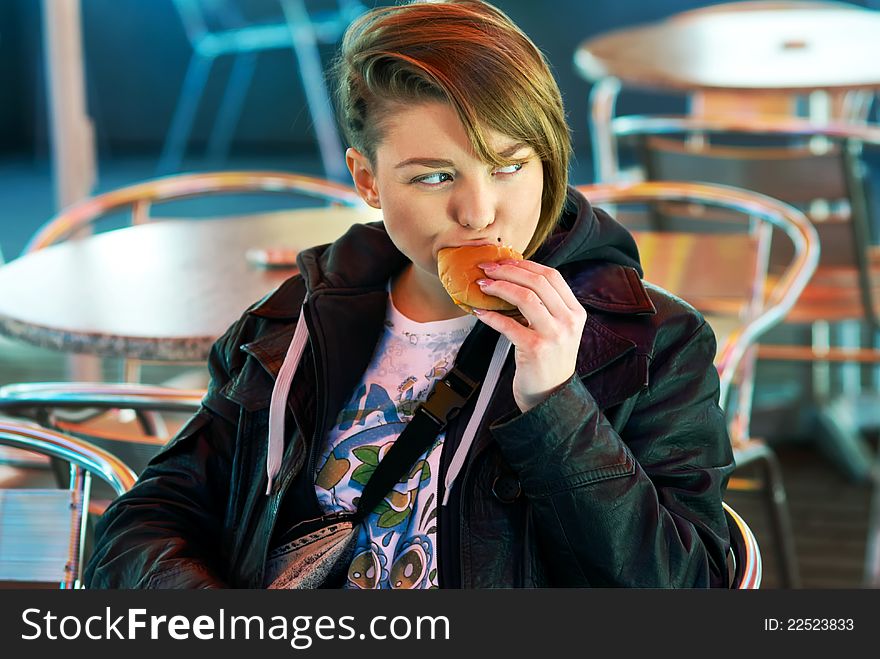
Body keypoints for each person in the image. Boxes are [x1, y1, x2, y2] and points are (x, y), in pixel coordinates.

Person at [85, 0, 734, 589]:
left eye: (510, 166)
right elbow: (145, 519)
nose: (479, 213)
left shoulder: (652, 341)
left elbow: (690, 584)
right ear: (367, 179)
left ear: (550, 161)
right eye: (434, 177)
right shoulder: (295, 319)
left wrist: (555, 406)